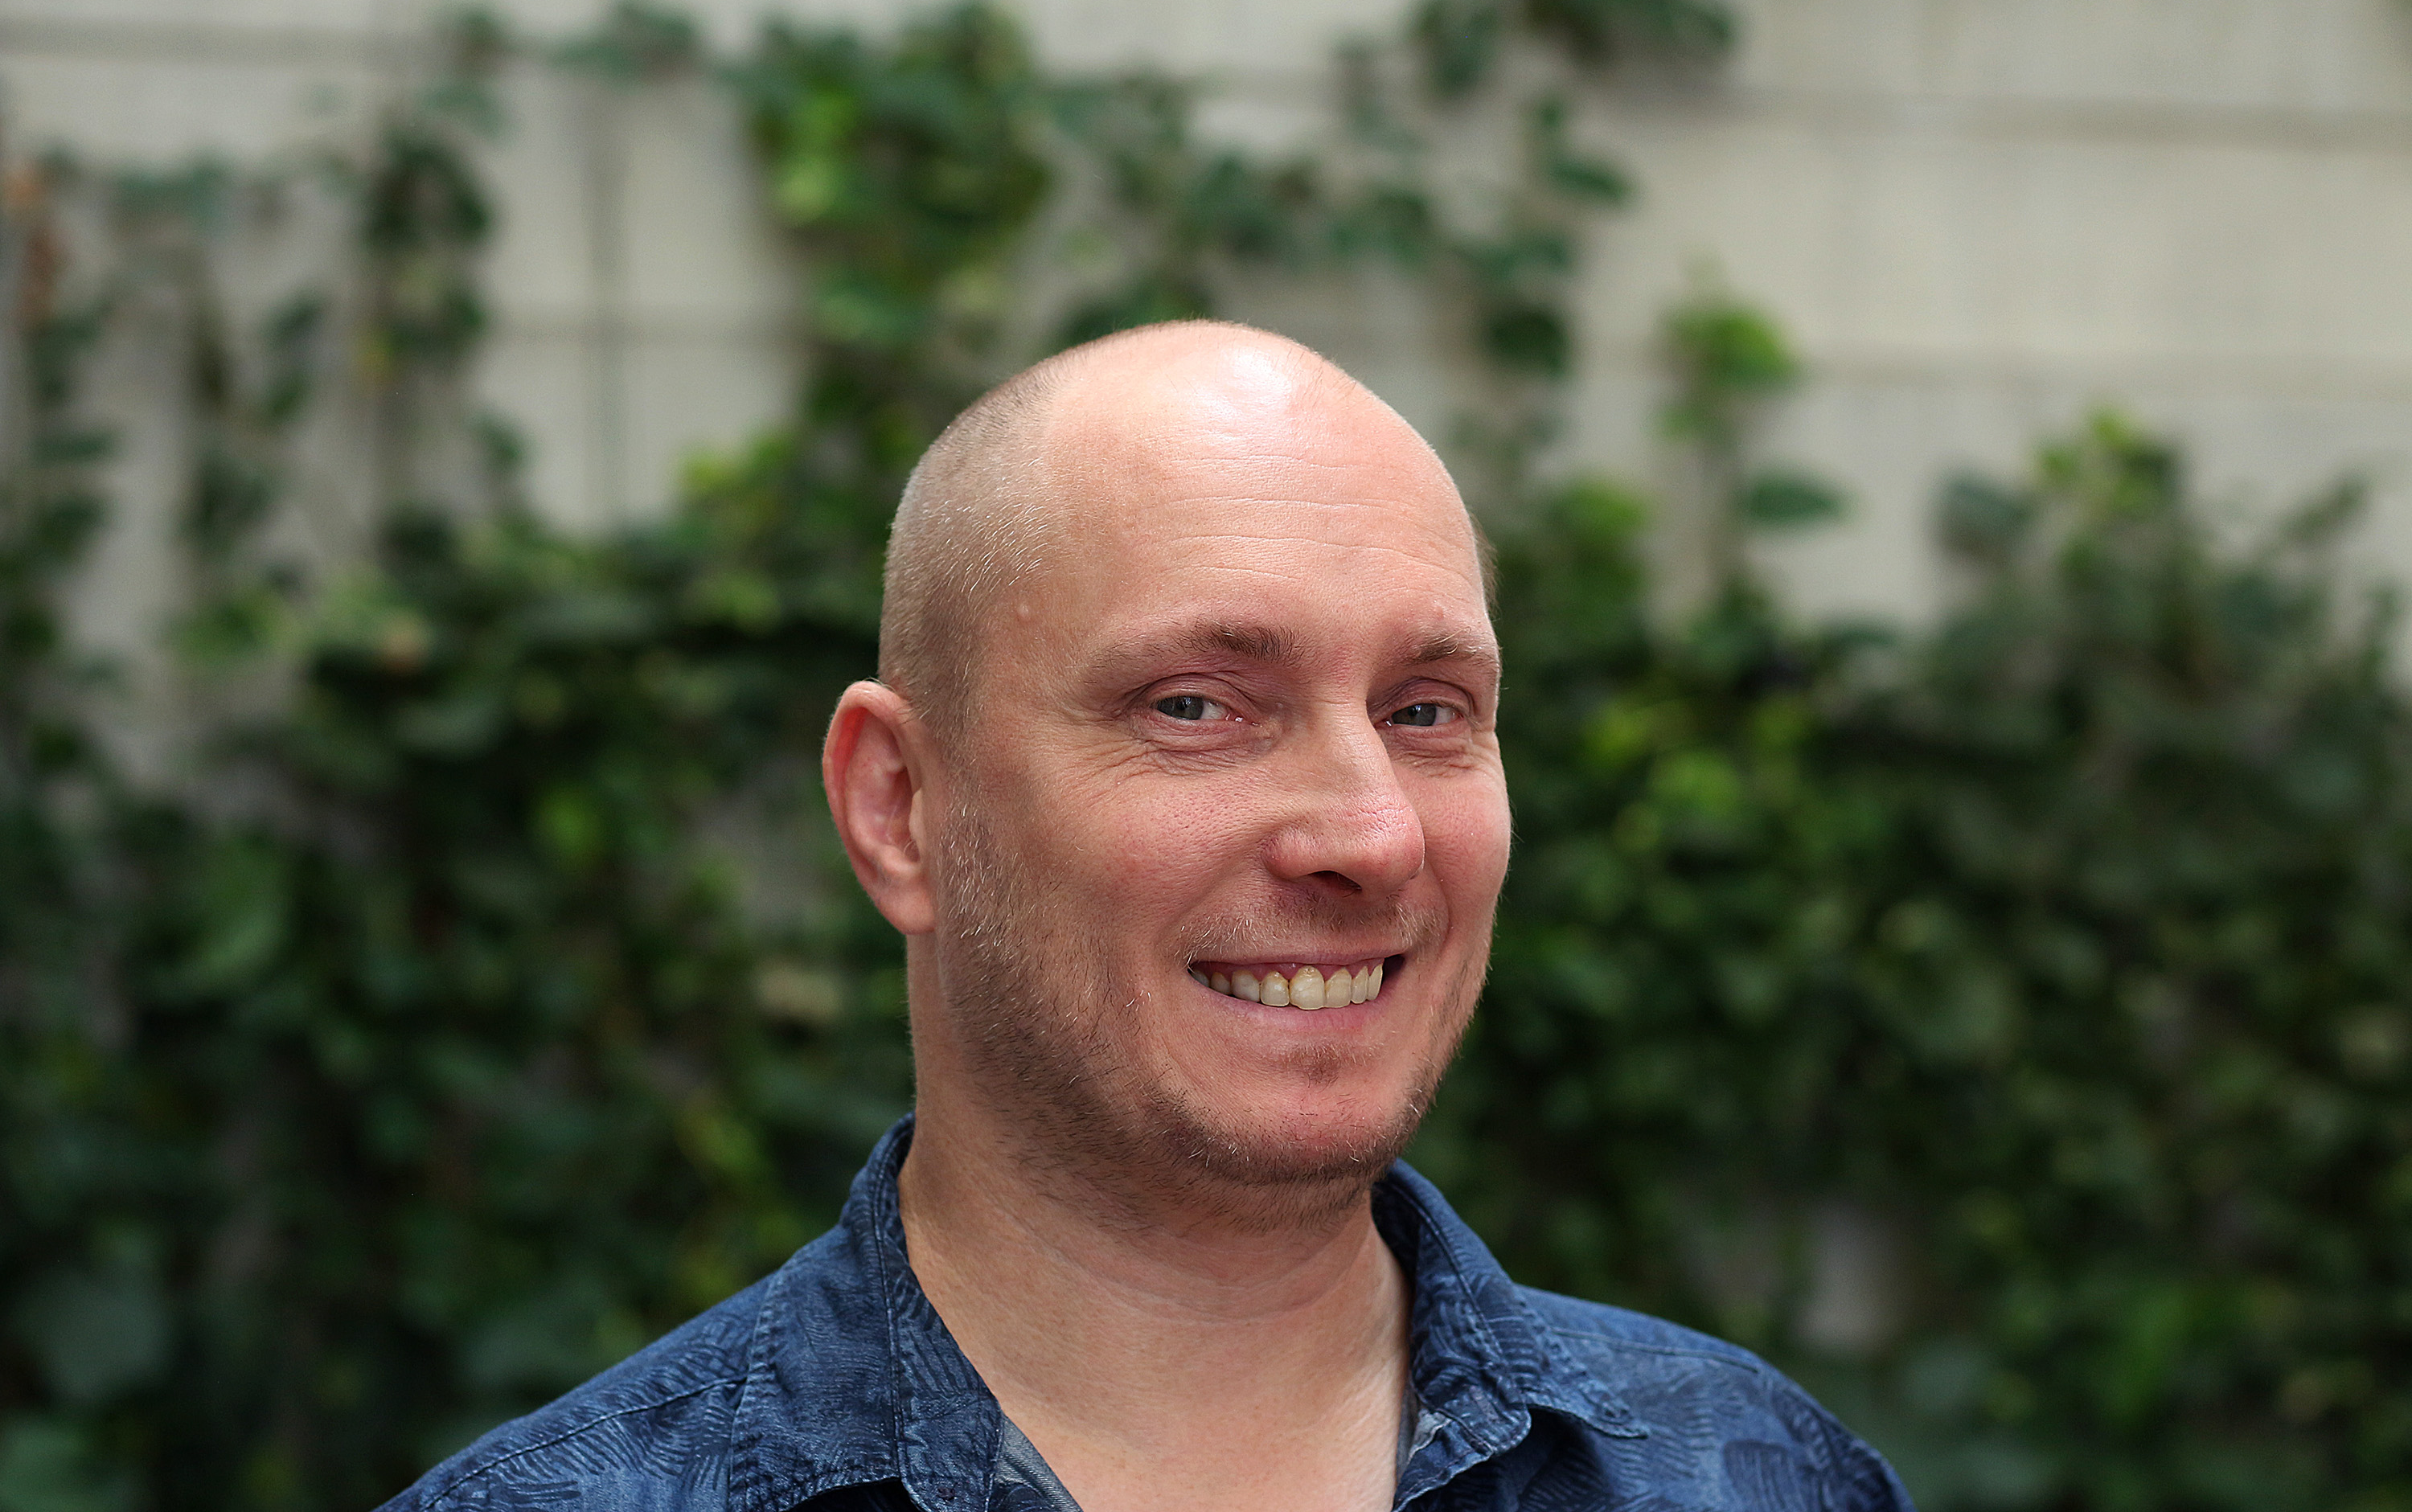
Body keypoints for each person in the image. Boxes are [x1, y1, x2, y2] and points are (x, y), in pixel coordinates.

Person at [379, 322, 1914, 1512]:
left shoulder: (1757, 1475)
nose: (1373, 834)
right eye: (1195, 706)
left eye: (1427, 710)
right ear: (899, 808)